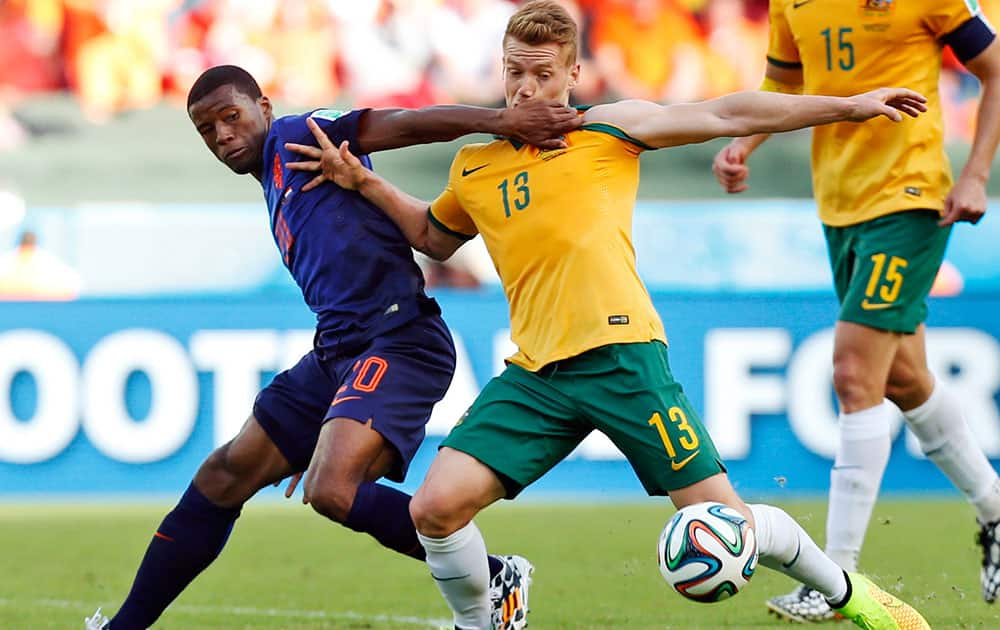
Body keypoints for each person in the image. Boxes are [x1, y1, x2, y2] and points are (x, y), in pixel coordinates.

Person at [292, 2, 934, 628]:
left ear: (573, 75)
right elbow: (434, 237)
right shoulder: (477, 163)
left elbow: (725, 110)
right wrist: (367, 182)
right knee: (435, 510)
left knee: (729, 522)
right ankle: (484, 617)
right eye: (515, 71)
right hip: (537, 375)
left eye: (542, 73)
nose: (525, 86)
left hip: (622, 359)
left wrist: (849, 105)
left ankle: (856, 598)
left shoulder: (606, 129)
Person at [83, 64, 581, 630]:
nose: (223, 135)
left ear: (263, 109)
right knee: (225, 474)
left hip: (400, 338)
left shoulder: (299, 135)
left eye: (231, 116)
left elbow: (405, 124)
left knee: (331, 490)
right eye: (207, 129)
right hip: (338, 353)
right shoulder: (273, 185)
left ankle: (493, 577)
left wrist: (502, 119)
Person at [712, 0, 1000, 621]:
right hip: (839, 204)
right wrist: (745, 143)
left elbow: (996, 67)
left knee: (852, 373)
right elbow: (784, 82)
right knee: (904, 378)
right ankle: (997, 510)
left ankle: (835, 577)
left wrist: (976, 173)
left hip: (912, 197)